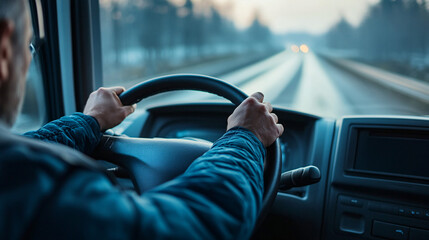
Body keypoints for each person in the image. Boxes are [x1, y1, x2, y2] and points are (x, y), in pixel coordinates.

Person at [0, 0, 284, 239]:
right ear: (3, 52)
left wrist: (91, 121)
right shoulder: (40, 194)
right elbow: (191, 225)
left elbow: (26, 150)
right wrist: (246, 138)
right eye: (28, 47)